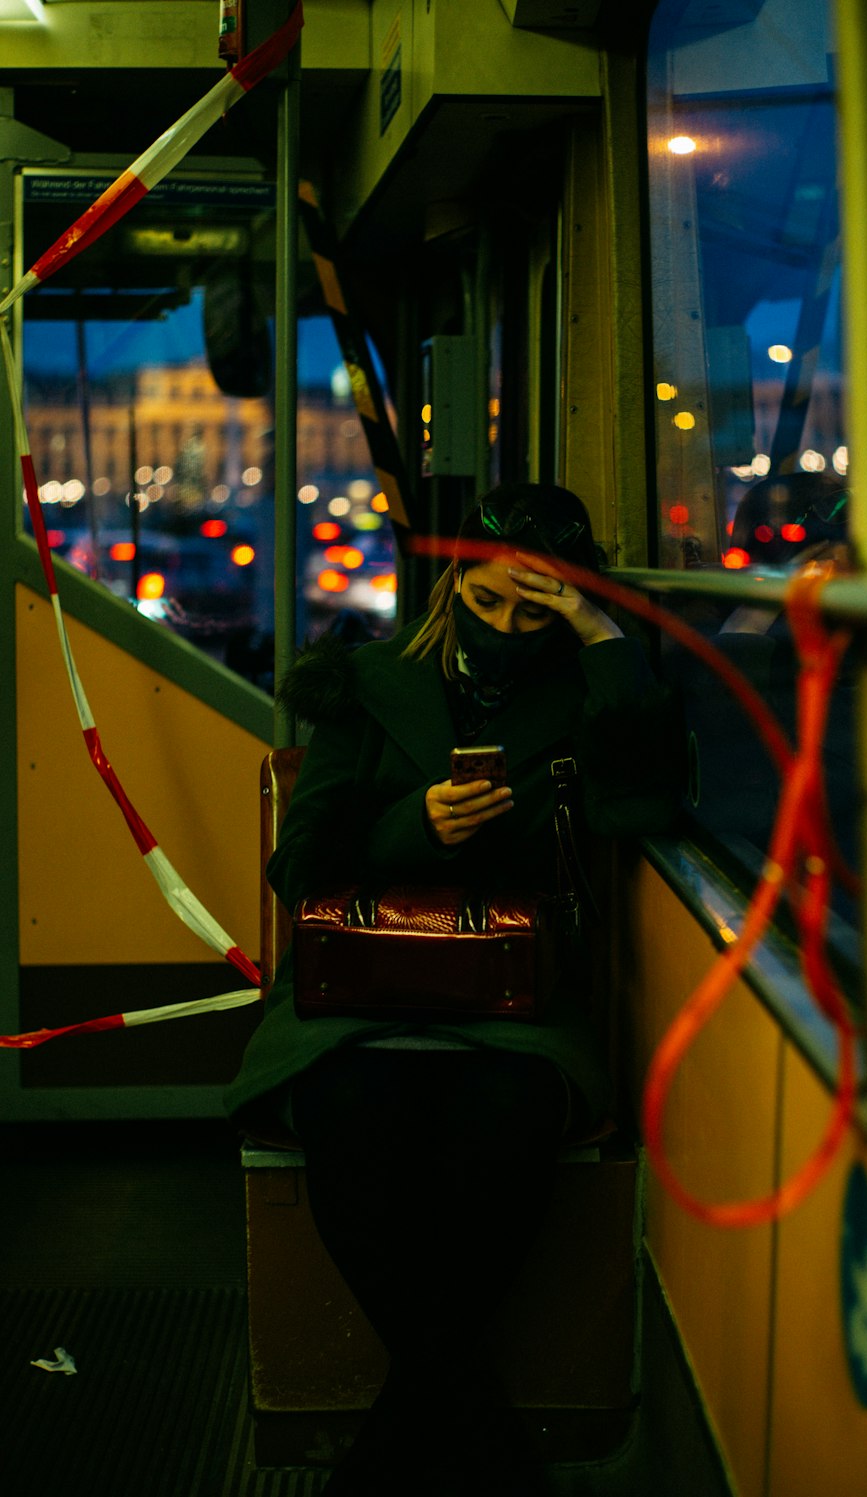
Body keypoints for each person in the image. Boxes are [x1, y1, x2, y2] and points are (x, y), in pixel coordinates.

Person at [224, 482, 678, 1495]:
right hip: (358, 991)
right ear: (448, 589)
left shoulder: (580, 697)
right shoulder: (361, 685)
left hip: (513, 999)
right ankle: (471, 1426)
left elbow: (637, 806)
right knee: (351, 1124)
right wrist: (414, 830)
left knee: (504, 1131)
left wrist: (600, 637)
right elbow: (300, 868)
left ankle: (407, 1432)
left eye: (537, 611)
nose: (508, 629)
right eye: (487, 603)